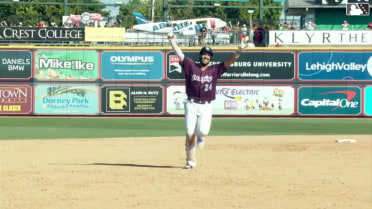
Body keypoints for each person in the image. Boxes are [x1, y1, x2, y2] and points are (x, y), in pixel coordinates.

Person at [167, 32, 247, 169]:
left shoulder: (215, 70)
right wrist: (172, 40)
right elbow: (179, 54)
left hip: (206, 106)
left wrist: (239, 51)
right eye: (204, 54)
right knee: (190, 133)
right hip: (191, 104)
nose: (206, 56)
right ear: (201, 55)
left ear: (210, 58)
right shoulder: (191, 66)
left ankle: (201, 137)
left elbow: (229, 61)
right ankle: (190, 160)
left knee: (203, 131)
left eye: (208, 55)